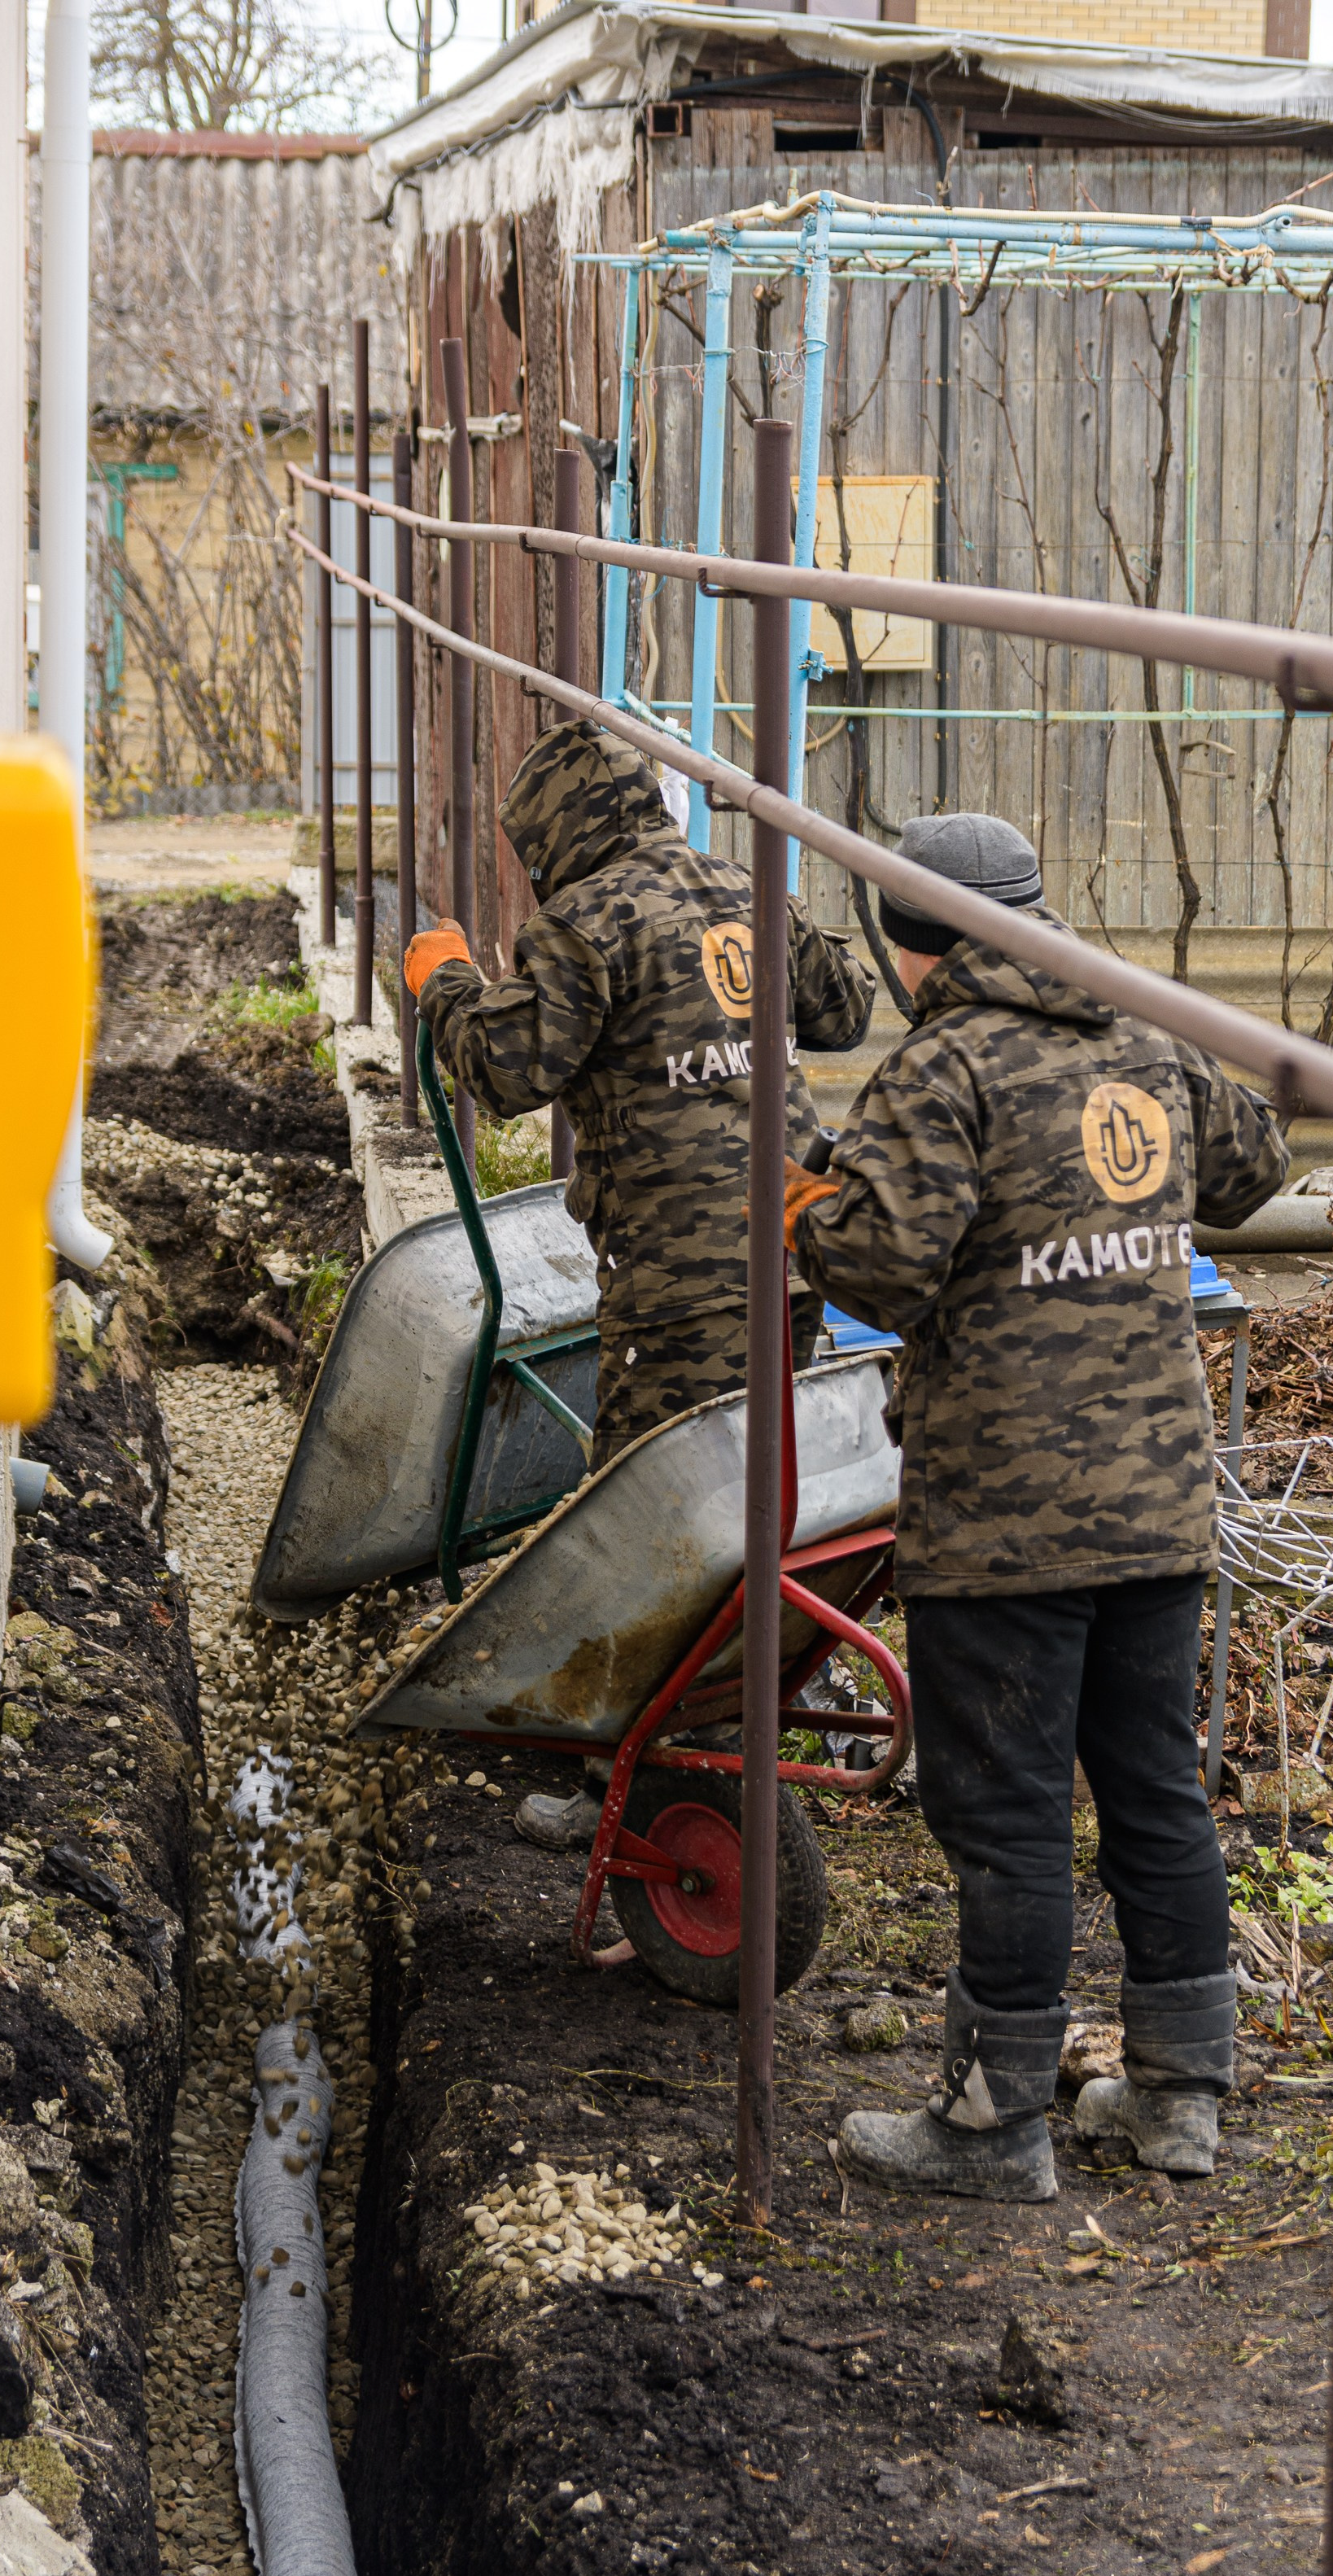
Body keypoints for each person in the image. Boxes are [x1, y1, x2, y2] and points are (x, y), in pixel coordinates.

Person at [783, 813, 1287, 2198]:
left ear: (909, 947)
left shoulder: (943, 1065)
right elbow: (1252, 1167)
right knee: (1152, 1794)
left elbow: (878, 1267)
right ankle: (1179, 2097)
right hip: (1158, 1504)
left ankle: (993, 2123)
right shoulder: (1142, 1025)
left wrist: (802, 1201)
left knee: (1005, 1819)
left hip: (1004, 1520)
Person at [404, 715, 875, 1845]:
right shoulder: (736, 891)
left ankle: (626, 1766)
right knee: (769, 1477)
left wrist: (446, 983)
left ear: (556, 834)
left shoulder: (585, 923)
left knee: (646, 1512)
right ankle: (784, 1691)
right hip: (800, 1247)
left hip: (678, 1271)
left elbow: (511, 1070)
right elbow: (845, 1009)